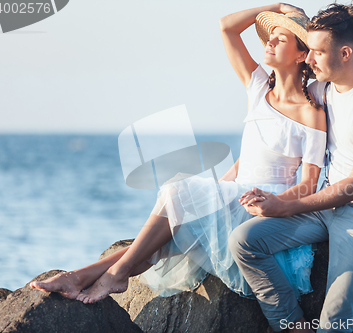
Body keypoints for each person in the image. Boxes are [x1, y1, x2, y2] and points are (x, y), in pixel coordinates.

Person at [30, 3, 327, 305]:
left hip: (264, 202)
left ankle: (110, 274)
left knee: (175, 195)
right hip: (234, 192)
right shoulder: (258, 86)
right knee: (174, 220)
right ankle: (84, 276)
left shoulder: (311, 113)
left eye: (281, 39)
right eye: (270, 36)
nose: (270, 42)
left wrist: (274, 203)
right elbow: (227, 26)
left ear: (302, 54)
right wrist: (276, 6)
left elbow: (309, 186)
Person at [230, 3, 353, 333]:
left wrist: (284, 206)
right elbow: (279, 112)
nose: (309, 60)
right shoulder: (321, 90)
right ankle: (292, 325)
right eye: (308, 51)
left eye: (316, 51)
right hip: (325, 205)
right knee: (244, 240)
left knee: (335, 321)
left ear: (344, 53)